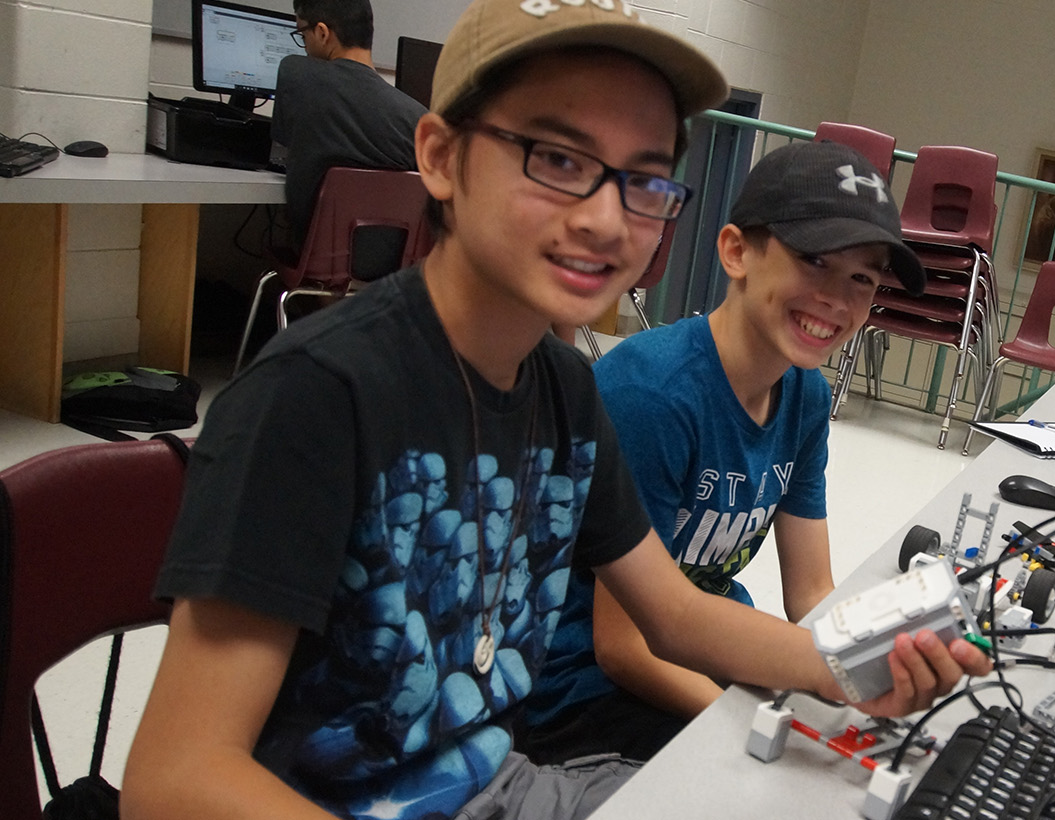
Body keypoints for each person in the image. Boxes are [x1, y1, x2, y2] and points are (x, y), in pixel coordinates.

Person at [120, 2, 990, 819]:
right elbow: (174, 781)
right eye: (559, 160)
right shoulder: (319, 397)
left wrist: (852, 670)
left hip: (497, 785)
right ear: (440, 156)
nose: (609, 220)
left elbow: (676, 615)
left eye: (645, 180)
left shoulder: (563, 388)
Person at [518, 141, 927, 763]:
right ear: (736, 251)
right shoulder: (653, 396)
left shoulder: (805, 398)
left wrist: (879, 659)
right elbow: (622, 646)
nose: (838, 300)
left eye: (863, 278)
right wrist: (756, 723)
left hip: (703, 646)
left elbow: (812, 590)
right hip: (582, 686)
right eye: (814, 260)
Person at [271, 0, 426, 248]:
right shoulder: (418, 117)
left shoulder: (296, 72)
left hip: (312, 251)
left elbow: (280, 149)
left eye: (302, 33)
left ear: (322, 33)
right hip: (392, 264)